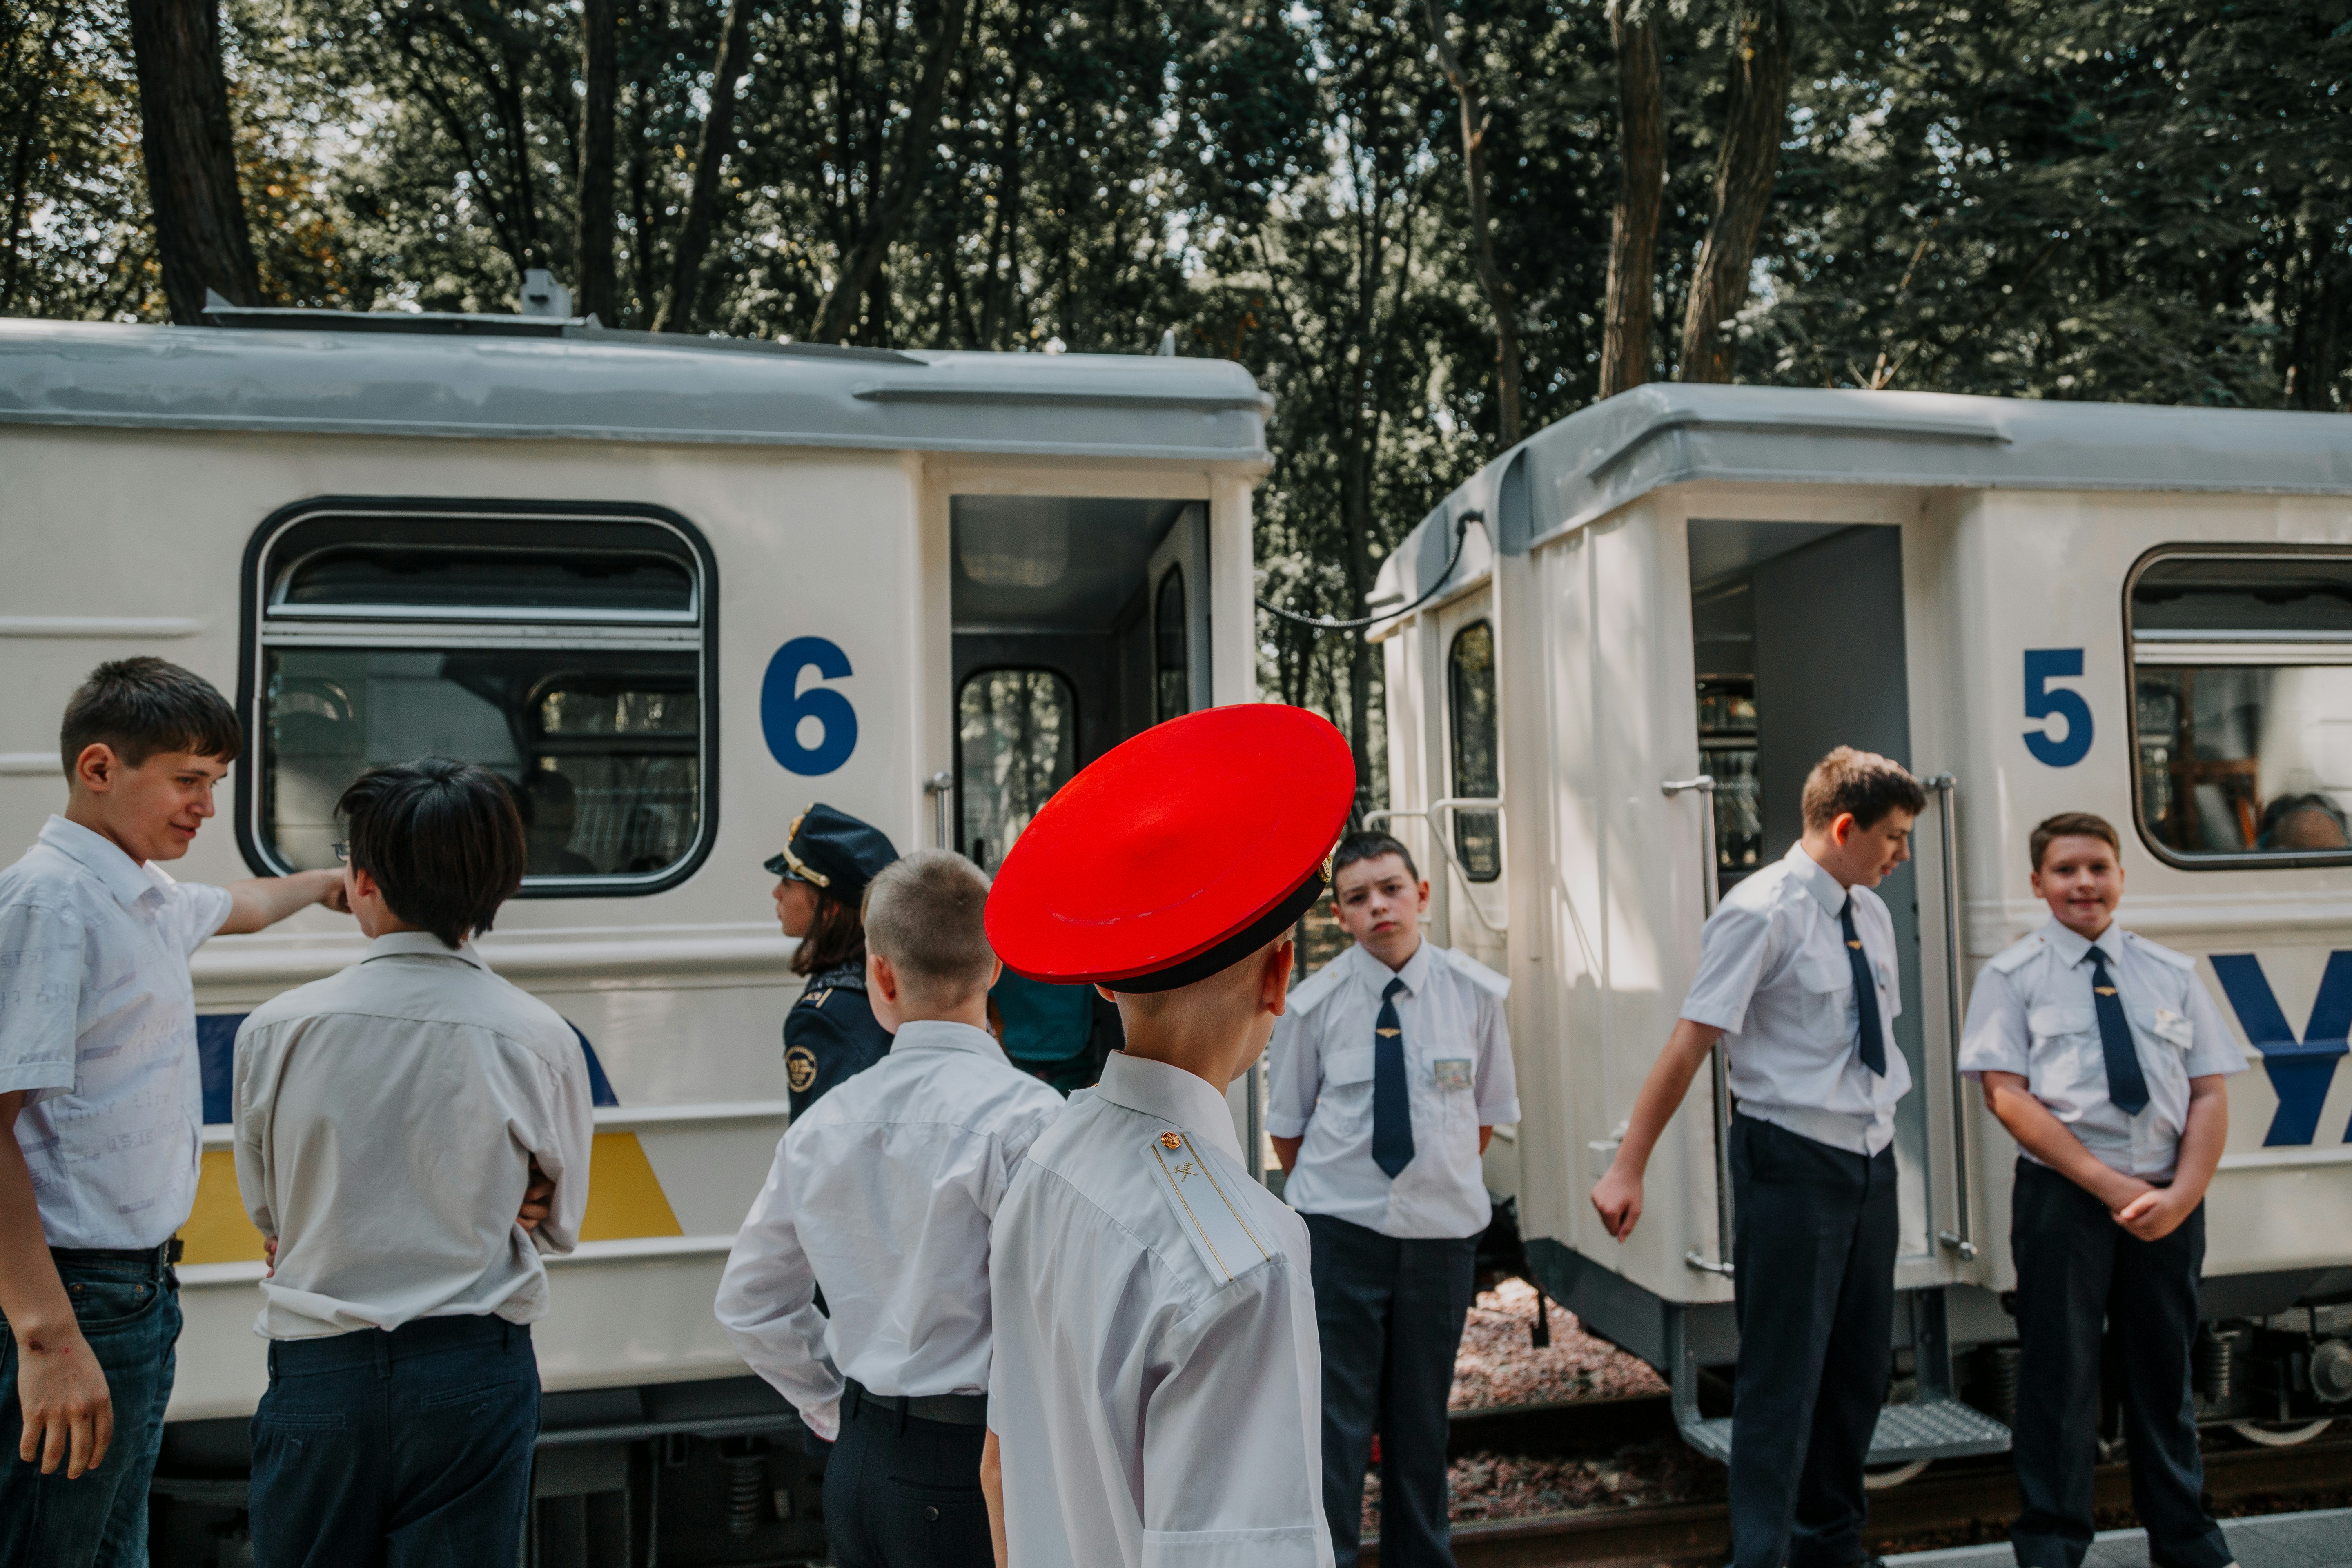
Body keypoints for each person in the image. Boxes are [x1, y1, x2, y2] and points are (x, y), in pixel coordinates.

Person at [980, 703, 1354, 1568]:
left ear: (1105, 987)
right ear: (1279, 975)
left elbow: (1000, 1469)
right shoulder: (1245, 1264)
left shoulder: (1047, 1161)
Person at [0, 657, 349, 1566]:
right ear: (100, 769)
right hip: (77, 1293)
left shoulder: (142, 894)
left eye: (216, 784)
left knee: (112, 1548)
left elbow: (244, 904)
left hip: (135, 1290)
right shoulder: (55, 904)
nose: (205, 806)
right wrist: (47, 1339)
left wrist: (324, 884)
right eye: (188, 782)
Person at [233, 758, 595, 1567]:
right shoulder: (539, 1037)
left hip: (320, 1369)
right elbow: (559, 1220)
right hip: (473, 1374)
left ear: (361, 881)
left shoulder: (275, 1030)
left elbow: (270, 1214)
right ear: (502, 886)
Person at [1589, 746, 1924, 1568]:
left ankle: (1831, 1543)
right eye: (1894, 836)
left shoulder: (1868, 911)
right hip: (1793, 1164)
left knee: (1857, 1370)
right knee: (1784, 1377)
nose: (1902, 855)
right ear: (1845, 827)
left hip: (1869, 1162)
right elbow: (1689, 1043)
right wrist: (1627, 1165)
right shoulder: (1761, 911)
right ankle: (1763, 1557)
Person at [716, 850, 1062, 1568]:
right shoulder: (1033, 1121)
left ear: (881, 975)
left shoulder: (825, 1123)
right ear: (996, 965)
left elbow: (750, 1303)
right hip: (976, 1463)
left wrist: (832, 1405)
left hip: (861, 1459)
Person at [1958, 812, 2243, 1568]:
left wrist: (2182, 1194)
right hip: (2065, 1202)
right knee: (2060, 1379)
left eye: (2097, 867)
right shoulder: (2010, 977)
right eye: (2065, 870)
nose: (2083, 883)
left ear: (2121, 875)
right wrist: (2108, 1184)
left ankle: (2187, 1544)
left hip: (2167, 1203)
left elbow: (2209, 1094)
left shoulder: (2172, 975)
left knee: (2165, 1374)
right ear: (2037, 884)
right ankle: (2052, 1548)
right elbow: (2006, 1096)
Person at [1266, 831, 1517, 1567]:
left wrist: (1423, 1185)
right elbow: (1289, 1132)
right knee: (1335, 1426)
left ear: (1422, 896)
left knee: (1420, 1425)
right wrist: (1352, 1195)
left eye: (1391, 889)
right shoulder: (1314, 1007)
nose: (1378, 906)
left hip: (1440, 1238)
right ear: (1340, 917)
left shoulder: (1475, 995)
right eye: (1357, 898)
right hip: (1343, 1236)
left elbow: (1485, 1117)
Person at [769, 804, 900, 1115]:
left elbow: (820, 1148)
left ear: (830, 909)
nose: (777, 893)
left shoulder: (825, 1017)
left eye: (788, 883)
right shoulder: (895, 977)